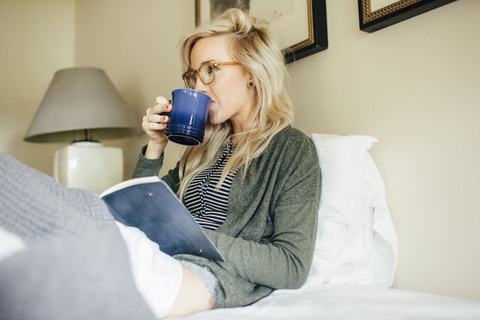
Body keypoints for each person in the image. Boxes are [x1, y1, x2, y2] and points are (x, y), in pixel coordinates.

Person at [132, 8, 321, 318]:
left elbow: (292, 266)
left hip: (211, 274)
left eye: (210, 69)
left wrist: (195, 238)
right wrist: (155, 145)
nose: (198, 87)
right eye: (194, 75)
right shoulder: (202, 150)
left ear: (252, 72)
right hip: (162, 258)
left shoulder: (291, 150)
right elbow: (139, 214)